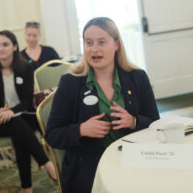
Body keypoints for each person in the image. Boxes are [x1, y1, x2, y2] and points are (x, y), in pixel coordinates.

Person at [45, 17, 160, 193]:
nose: (94, 49)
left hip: (136, 161)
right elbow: (52, 135)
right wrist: (81, 129)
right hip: (91, 167)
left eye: (102, 42)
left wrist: (133, 122)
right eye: (88, 42)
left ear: (116, 44)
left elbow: (156, 124)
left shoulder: (137, 77)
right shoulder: (70, 83)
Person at [0, 30, 57, 193]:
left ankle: (27, 189)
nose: (0, 48)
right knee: (18, 127)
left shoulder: (25, 68)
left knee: (19, 131)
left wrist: (12, 111)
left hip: (23, 116)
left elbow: (27, 100)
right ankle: (47, 164)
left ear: (14, 47)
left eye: (5, 44)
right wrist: (0, 111)